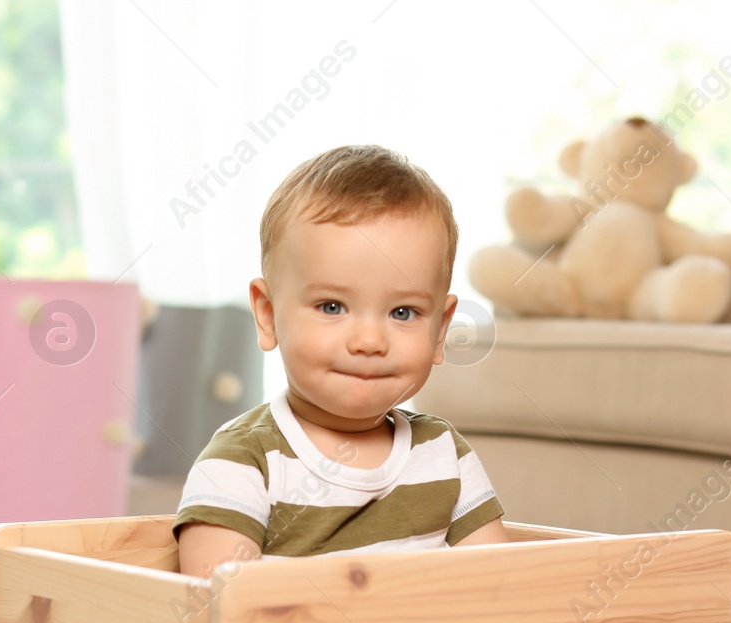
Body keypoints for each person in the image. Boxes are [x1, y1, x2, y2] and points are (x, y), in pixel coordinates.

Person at [174, 144, 511, 579]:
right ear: (268, 315)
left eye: (403, 312)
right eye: (332, 307)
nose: (369, 341)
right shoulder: (242, 462)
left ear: (440, 330)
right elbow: (219, 616)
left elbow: (499, 591)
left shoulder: (444, 455)